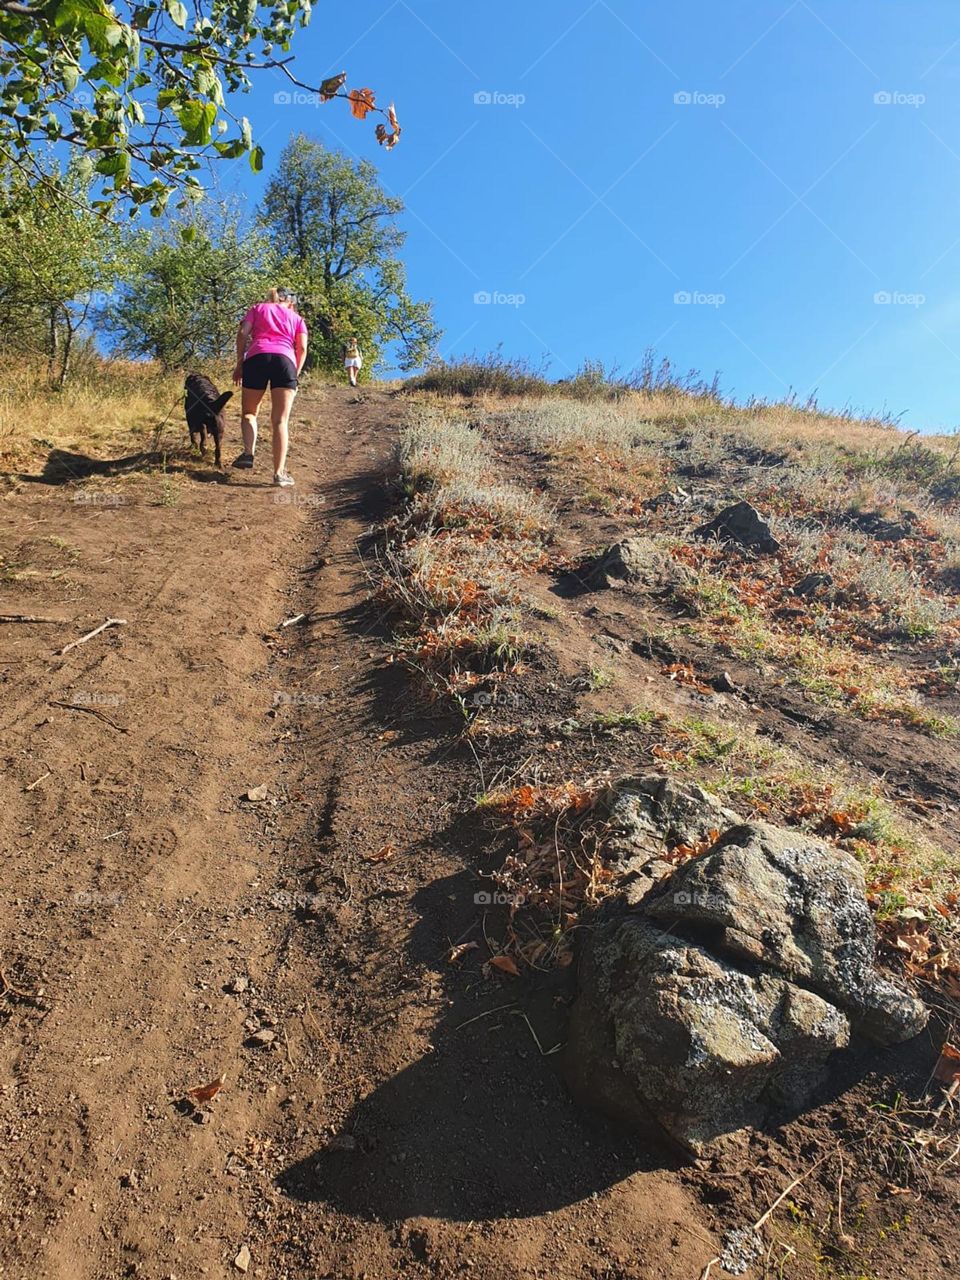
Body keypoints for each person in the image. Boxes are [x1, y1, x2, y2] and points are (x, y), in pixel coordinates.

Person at [232, 287, 308, 487]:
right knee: (280, 421)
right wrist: (295, 372)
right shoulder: (297, 318)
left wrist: (240, 363)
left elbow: (242, 334)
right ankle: (279, 474)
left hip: (257, 357)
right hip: (285, 362)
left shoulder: (257, 308)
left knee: (249, 412)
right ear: (291, 302)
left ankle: (248, 453)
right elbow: (302, 347)